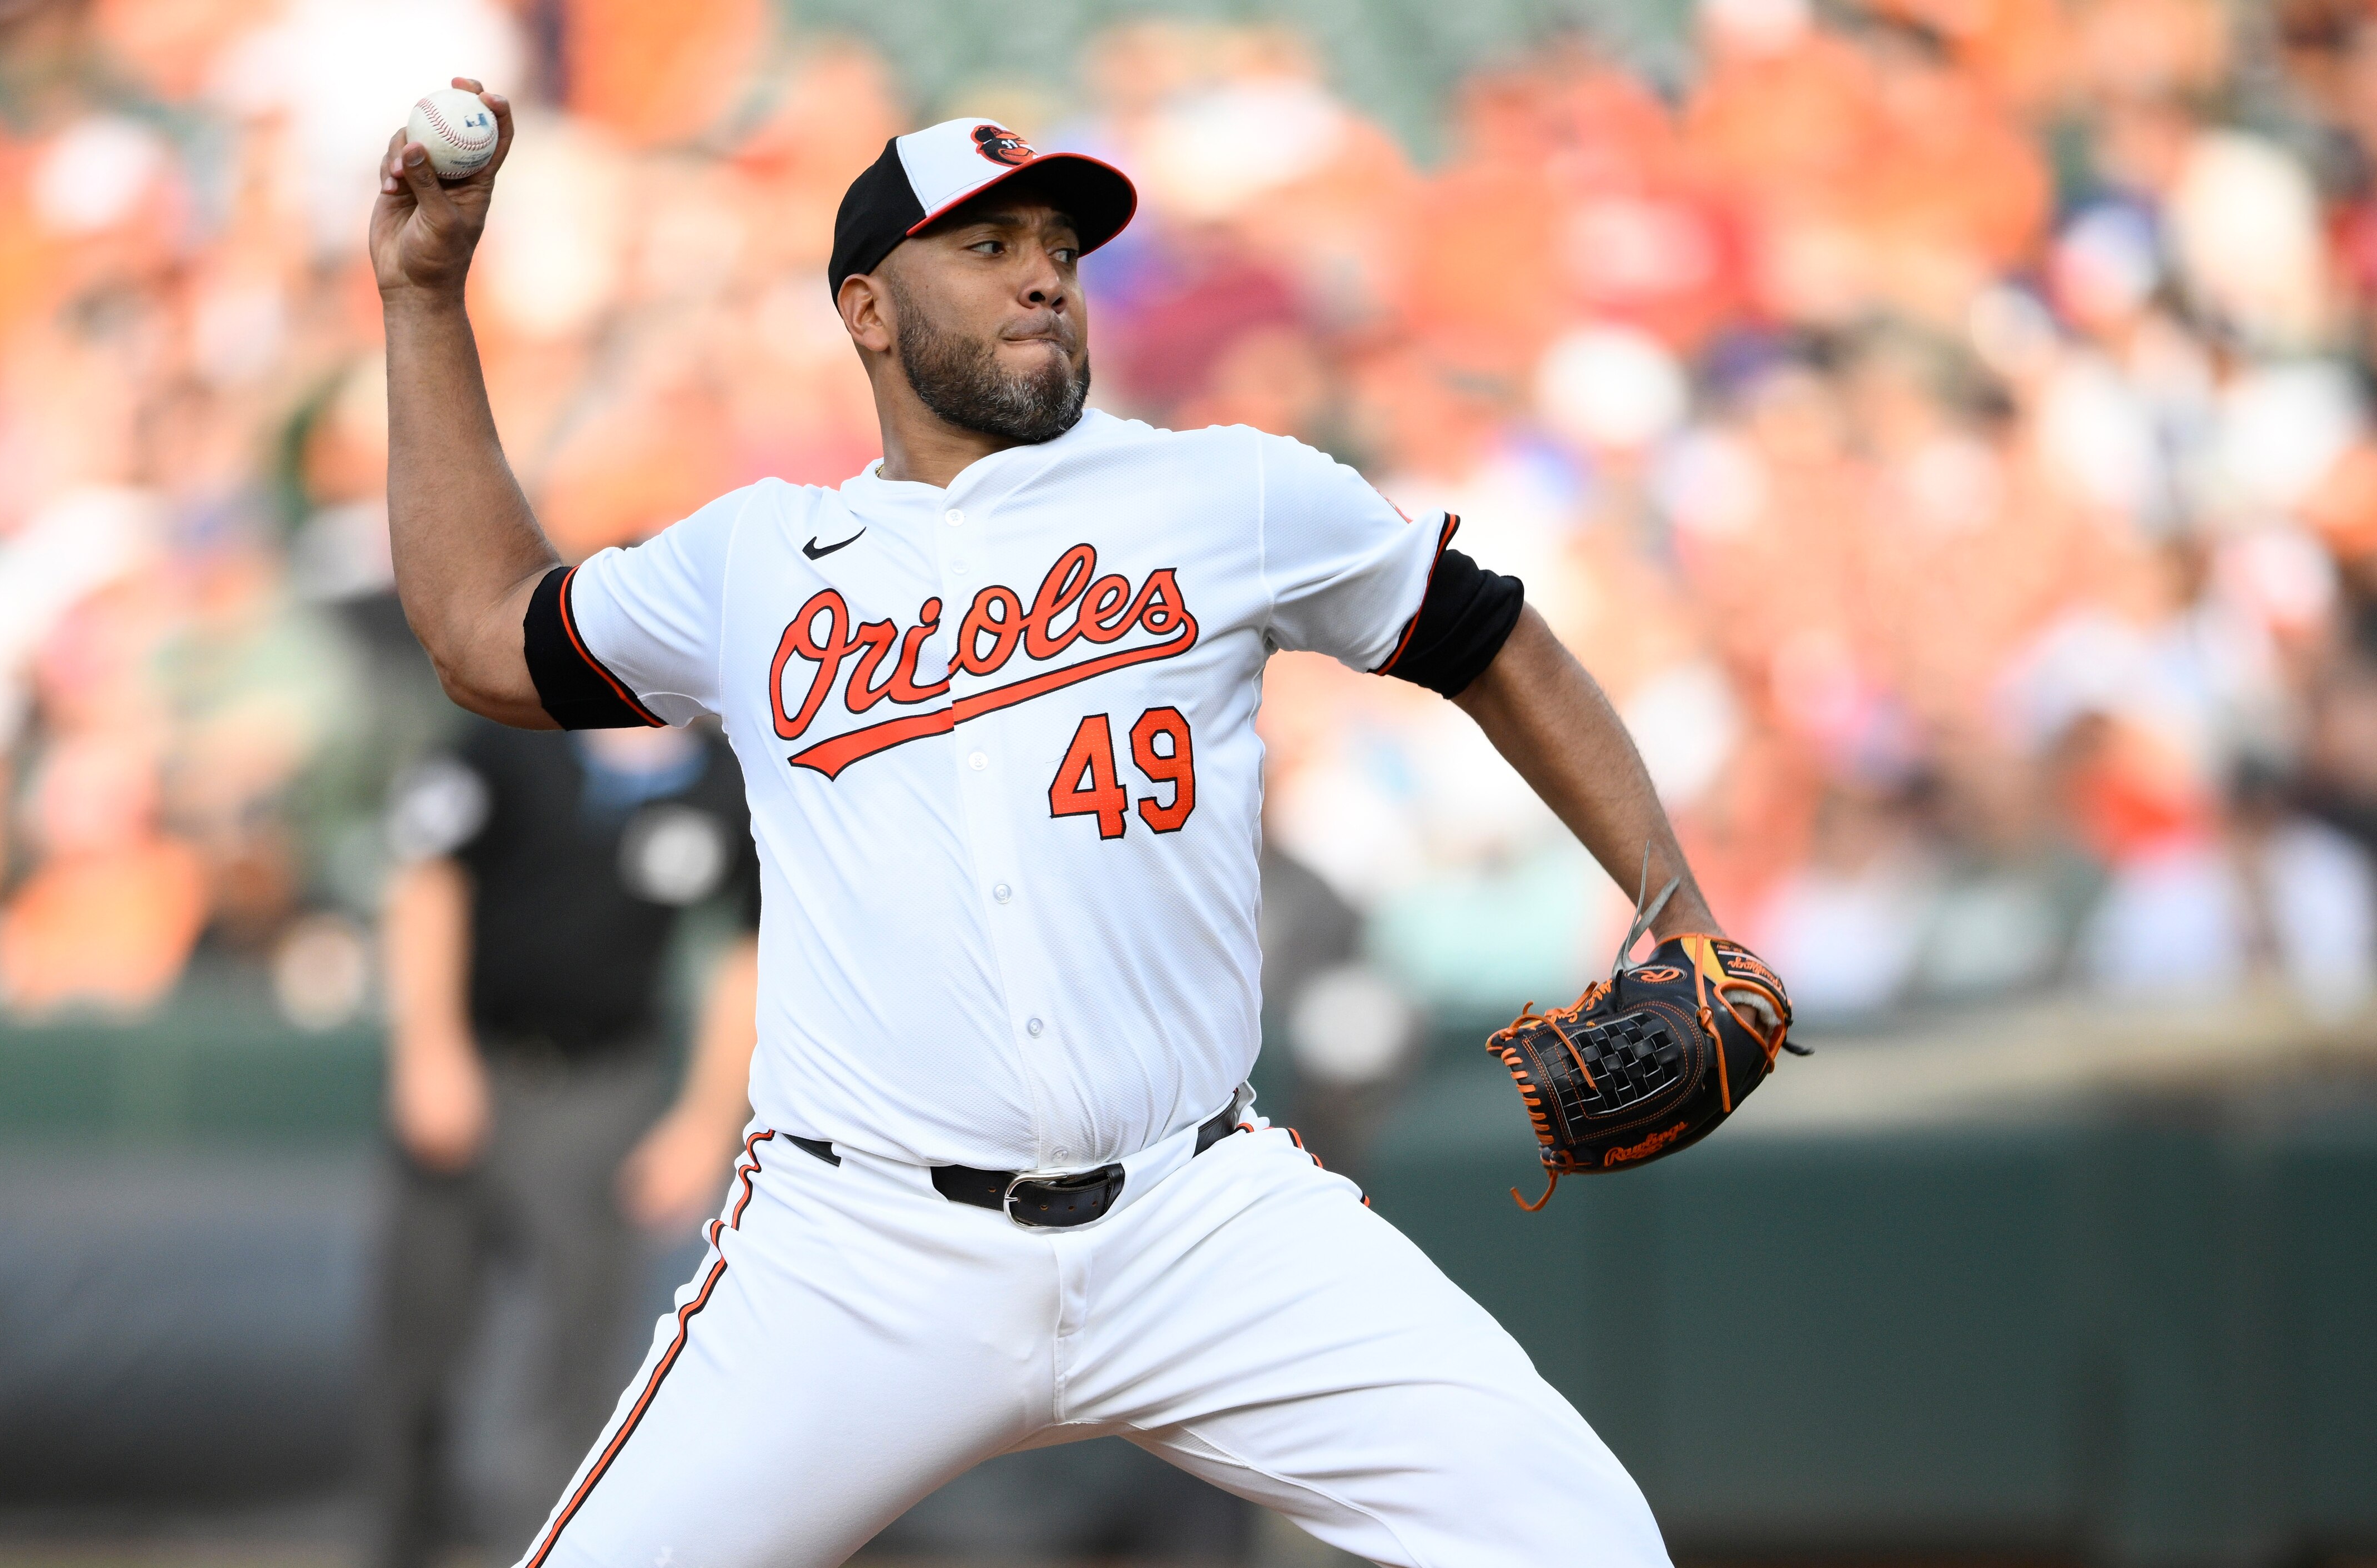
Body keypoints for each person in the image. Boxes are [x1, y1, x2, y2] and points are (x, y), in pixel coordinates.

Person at [372, 86, 1779, 1566]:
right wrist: (423, 296)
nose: (1042, 268)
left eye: (1059, 242)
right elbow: (481, 634)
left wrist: (1675, 904)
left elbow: (1495, 639)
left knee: (1588, 1540)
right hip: (862, 1250)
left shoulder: (1226, 491)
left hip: (1199, 1213)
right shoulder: (758, 563)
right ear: (866, 307)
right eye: (984, 243)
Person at [366, 714, 757, 1568]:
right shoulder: (506, 741)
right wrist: (431, 1051)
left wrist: (703, 1121)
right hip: (477, 1063)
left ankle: (538, 1553)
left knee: (576, 1361)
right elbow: (429, 879)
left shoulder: (728, 779)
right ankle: (403, 1543)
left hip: (603, 1087)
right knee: (417, 1349)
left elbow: (750, 950)